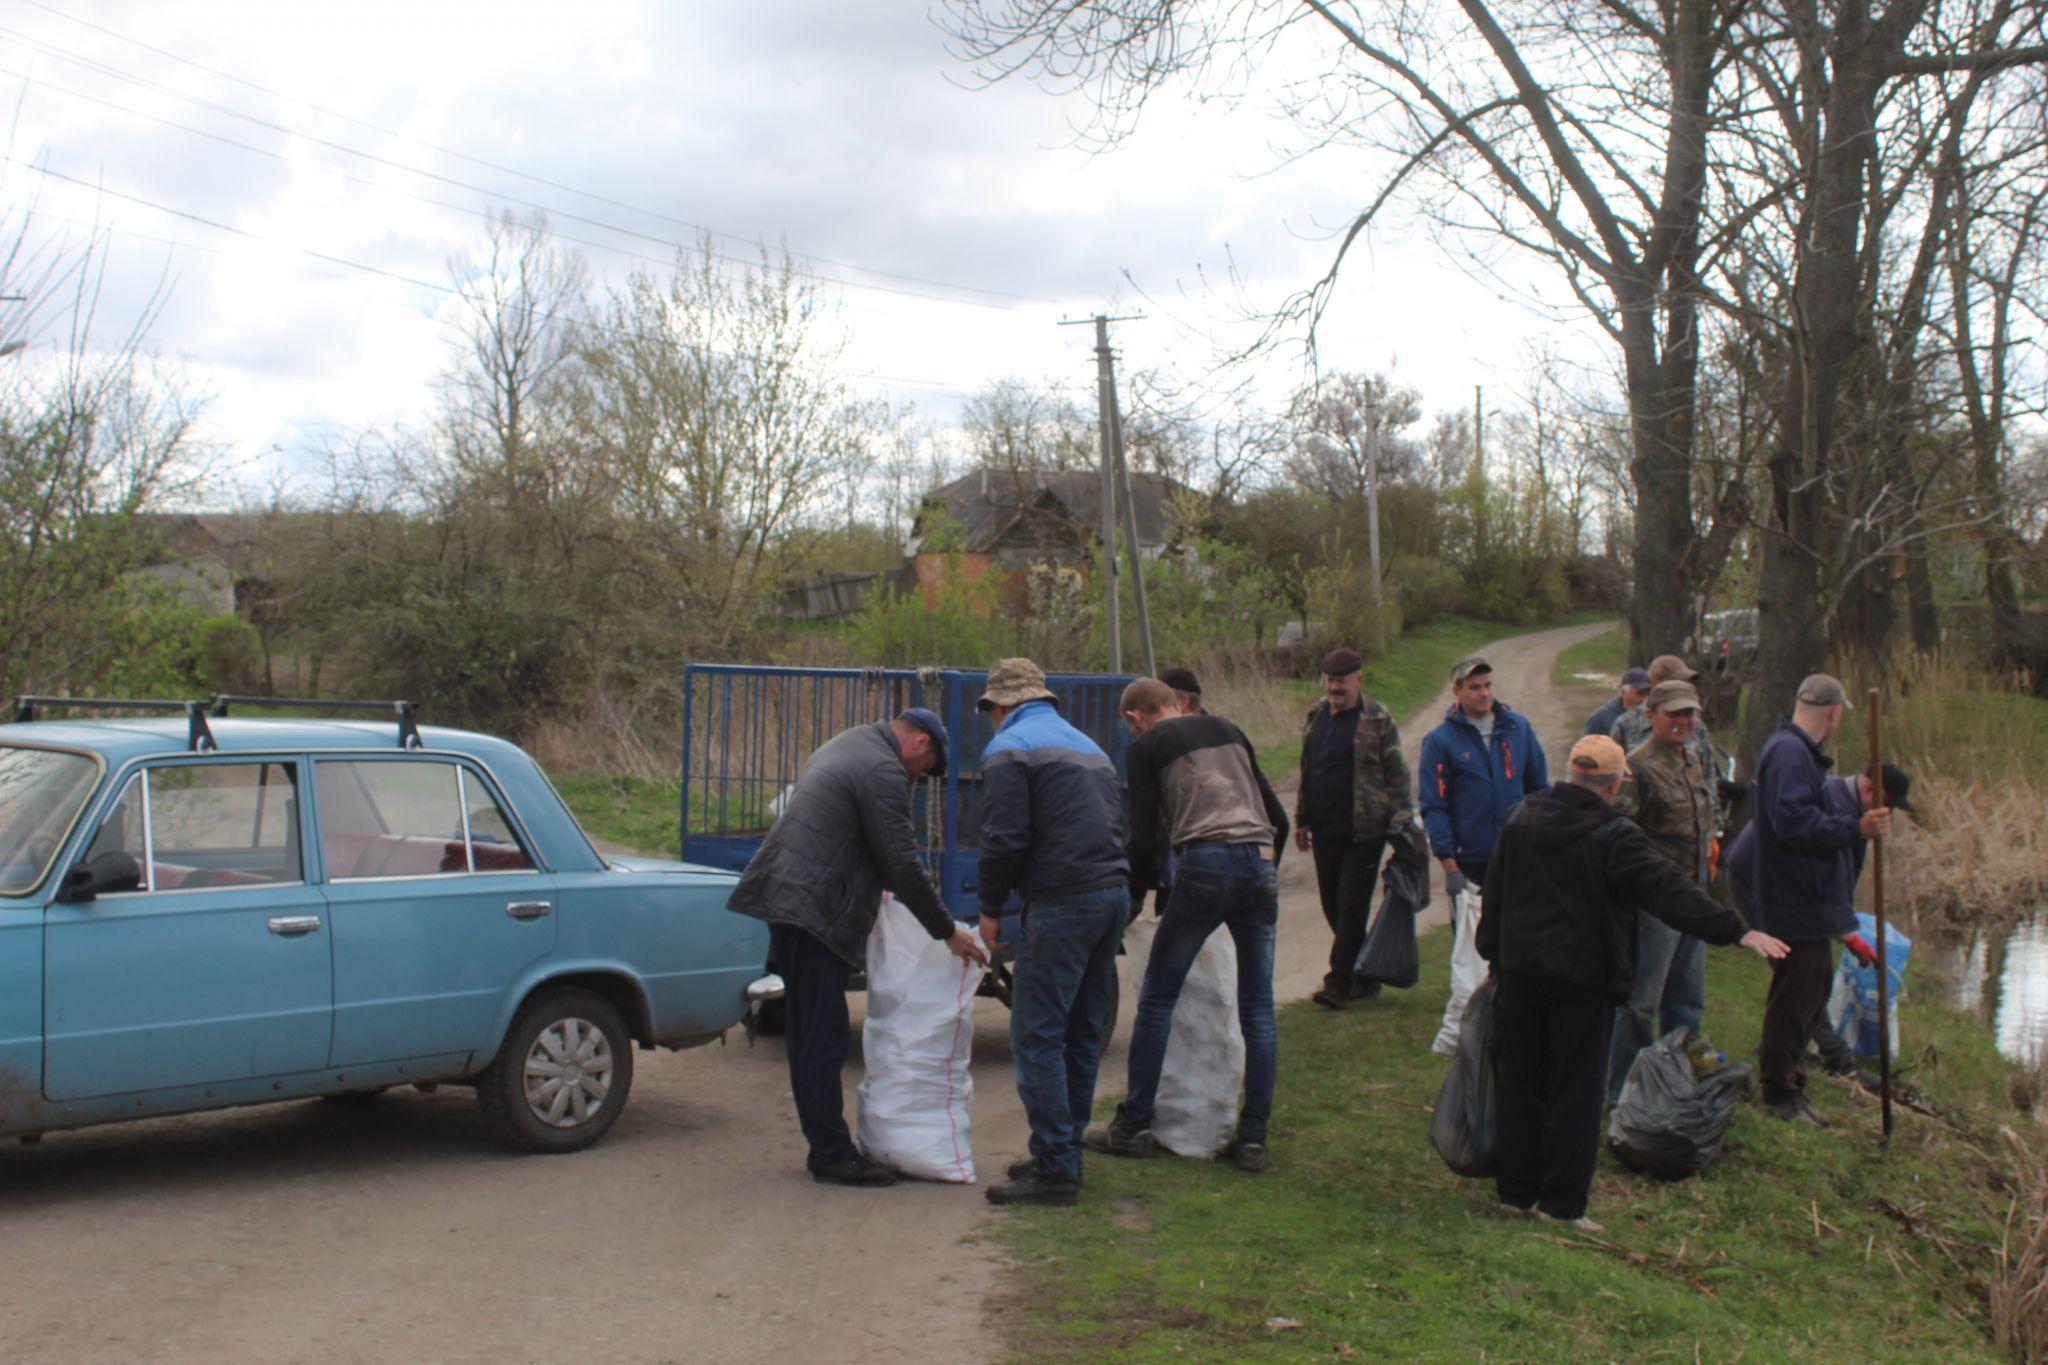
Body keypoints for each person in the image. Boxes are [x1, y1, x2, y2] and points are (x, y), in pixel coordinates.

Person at [1478, 736, 1788, 1231]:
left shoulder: (1523, 817)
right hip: (1584, 981)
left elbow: (1496, 888)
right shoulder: (1614, 835)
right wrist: (1737, 929)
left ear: (1571, 775)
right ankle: (1561, 1206)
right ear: (1616, 783)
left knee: (1522, 1082)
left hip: (1521, 973)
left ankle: (1515, 1193)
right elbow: (1667, 891)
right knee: (1575, 1092)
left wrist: (1492, 950)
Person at [727, 709, 989, 1187]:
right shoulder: (882, 769)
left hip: (794, 899)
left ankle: (824, 1144)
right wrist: (945, 931)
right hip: (811, 907)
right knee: (820, 1034)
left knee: (812, 1030)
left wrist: (872, 882)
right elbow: (903, 862)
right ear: (921, 746)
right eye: (923, 772)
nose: (917, 778)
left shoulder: (853, 742)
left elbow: (851, 836)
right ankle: (830, 1153)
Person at [1088, 678, 1288, 1172]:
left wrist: (1136, 898)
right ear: (1175, 705)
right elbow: (1278, 818)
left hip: (1204, 863)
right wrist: (1262, 875)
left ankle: (1133, 1124)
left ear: (1135, 717)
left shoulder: (1146, 746)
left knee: (1158, 998)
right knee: (1258, 1008)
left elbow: (1143, 836)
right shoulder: (1230, 729)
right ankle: (1254, 1140)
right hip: (1259, 861)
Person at [974, 658, 1131, 1207]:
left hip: (1062, 902)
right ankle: (1063, 1151)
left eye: (990, 711)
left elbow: (1004, 838)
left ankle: (1057, 1166)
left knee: (1036, 1034)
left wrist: (990, 908)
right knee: (1081, 1034)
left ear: (1001, 707)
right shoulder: (1090, 747)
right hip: (1112, 895)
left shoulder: (1008, 749)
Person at [1746, 674, 1894, 1126]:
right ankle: (1778, 1092)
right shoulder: (1790, 754)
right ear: (1832, 713)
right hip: (1793, 899)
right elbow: (1793, 825)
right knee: (1795, 999)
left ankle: (1792, 1079)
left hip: (1806, 899)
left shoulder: (1797, 753)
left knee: (1813, 993)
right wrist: (1856, 829)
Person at [1722, 762, 1913, 1083]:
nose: (1889, 814)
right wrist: (1847, 934)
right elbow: (1821, 879)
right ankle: (1836, 1058)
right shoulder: (1837, 807)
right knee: (1800, 972)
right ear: (1871, 790)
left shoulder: (1855, 809)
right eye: (1888, 805)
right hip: (1755, 878)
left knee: (1802, 973)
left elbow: (1843, 875)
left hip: (1786, 886)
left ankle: (1780, 1042)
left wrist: (1844, 923)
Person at [1608, 679, 1715, 1100]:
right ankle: (1622, 1093)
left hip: (1693, 899)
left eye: (1690, 713)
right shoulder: (1636, 767)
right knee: (1640, 1004)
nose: (1683, 721)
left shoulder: (1690, 759)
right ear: (1651, 716)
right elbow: (1620, 838)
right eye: (1674, 713)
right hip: (1654, 906)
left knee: (1687, 999)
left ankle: (1676, 1083)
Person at [1293, 647, 1412, 1010]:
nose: (1335, 687)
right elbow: (1308, 767)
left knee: (1351, 904)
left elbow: (1397, 773)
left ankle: (1338, 983)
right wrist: (1302, 817)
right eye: (1330, 680)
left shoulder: (1377, 718)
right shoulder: (1317, 714)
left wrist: (1401, 818)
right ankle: (1366, 974)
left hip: (1366, 829)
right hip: (1326, 826)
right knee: (1333, 904)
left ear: (1358, 680)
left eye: (1341, 680)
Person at [1419, 655, 1549, 900]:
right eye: (1475, 687)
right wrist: (1450, 866)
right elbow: (1434, 805)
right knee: (1473, 936)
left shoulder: (1518, 728)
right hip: (1470, 860)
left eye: (1488, 685)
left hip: (1517, 853)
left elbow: (1539, 790)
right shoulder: (1440, 741)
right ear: (1457, 691)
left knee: (1519, 934)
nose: (1484, 694)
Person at [1583, 667, 1651, 738]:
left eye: (1648, 694)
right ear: (1623, 692)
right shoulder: (1600, 719)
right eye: (1640, 694)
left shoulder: (1651, 716)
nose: (1645, 699)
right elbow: (1584, 747)